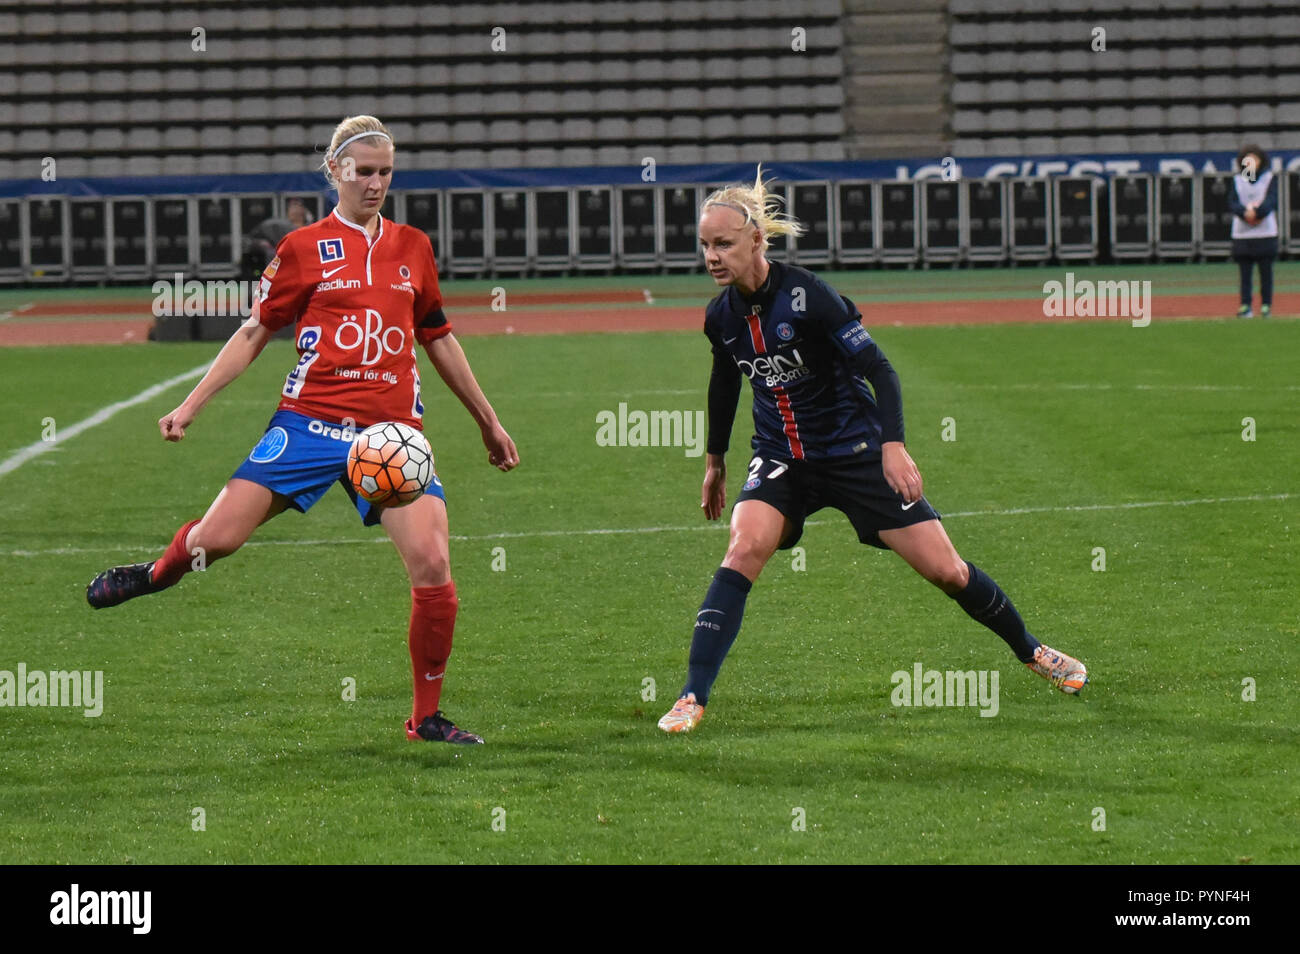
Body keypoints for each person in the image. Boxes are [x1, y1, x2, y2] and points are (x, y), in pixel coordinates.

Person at [87, 116, 519, 745]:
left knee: (432, 566)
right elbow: (255, 330)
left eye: (385, 172)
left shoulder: (413, 248)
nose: (375, 184)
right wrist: (192, 403)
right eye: (363, 171)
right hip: (308, 426)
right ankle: (157, 574)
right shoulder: (302, 247)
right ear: (335, 171)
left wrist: (489, 422)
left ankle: (426, 718)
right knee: (217, 542)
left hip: (391, 435)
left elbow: (438, 337)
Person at [658, 169, 1087, 734]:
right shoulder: (721, 317)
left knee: (948, 572)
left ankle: (1034, 652)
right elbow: (724, 381)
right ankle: (693, 696)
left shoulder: (808, 296)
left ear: (756, 241)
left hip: (856, 452)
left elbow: (879, 370)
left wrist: (893, 446)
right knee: (742, 551)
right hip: (782, 457)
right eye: (705, 246)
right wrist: (714, 463)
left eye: (723, 244)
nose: (711, 257)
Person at [1228, 144, 1279, 319]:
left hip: (1265, 233)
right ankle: (1246, 306)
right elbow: (1233, 203)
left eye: (1254, 159)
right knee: (1245, 274)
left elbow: (1272, 200)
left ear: (1261, 161)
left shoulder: (1269, 178)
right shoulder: (1237, 180)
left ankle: (1266, 306)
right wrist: (1245, 214)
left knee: (1266, 273)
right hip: (1243, 234)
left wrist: (1257, 214)